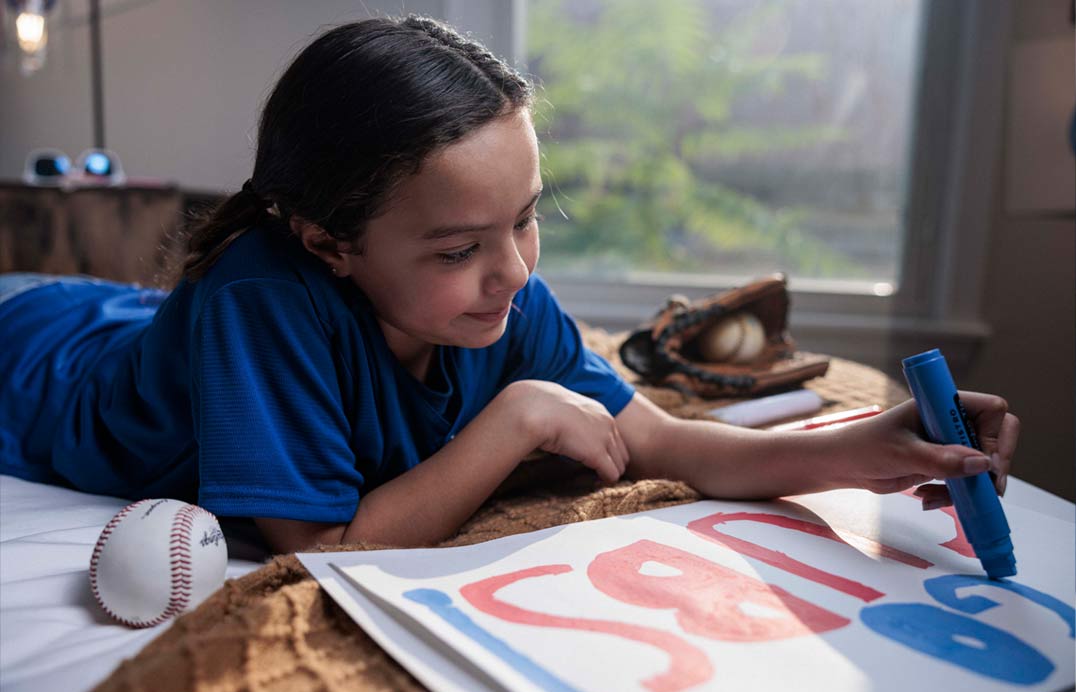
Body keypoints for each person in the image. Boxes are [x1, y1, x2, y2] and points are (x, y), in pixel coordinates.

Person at [0, 16, 1018, 554]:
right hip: (32, 353)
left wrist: (863, 451)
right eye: (455, 251)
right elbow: (320, 548)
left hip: (128, 320)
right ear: (325, 241)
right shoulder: (261, 298)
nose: (514, 273)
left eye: (527, 216)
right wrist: (517, 417)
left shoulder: (504, 292)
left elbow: (654, 442)